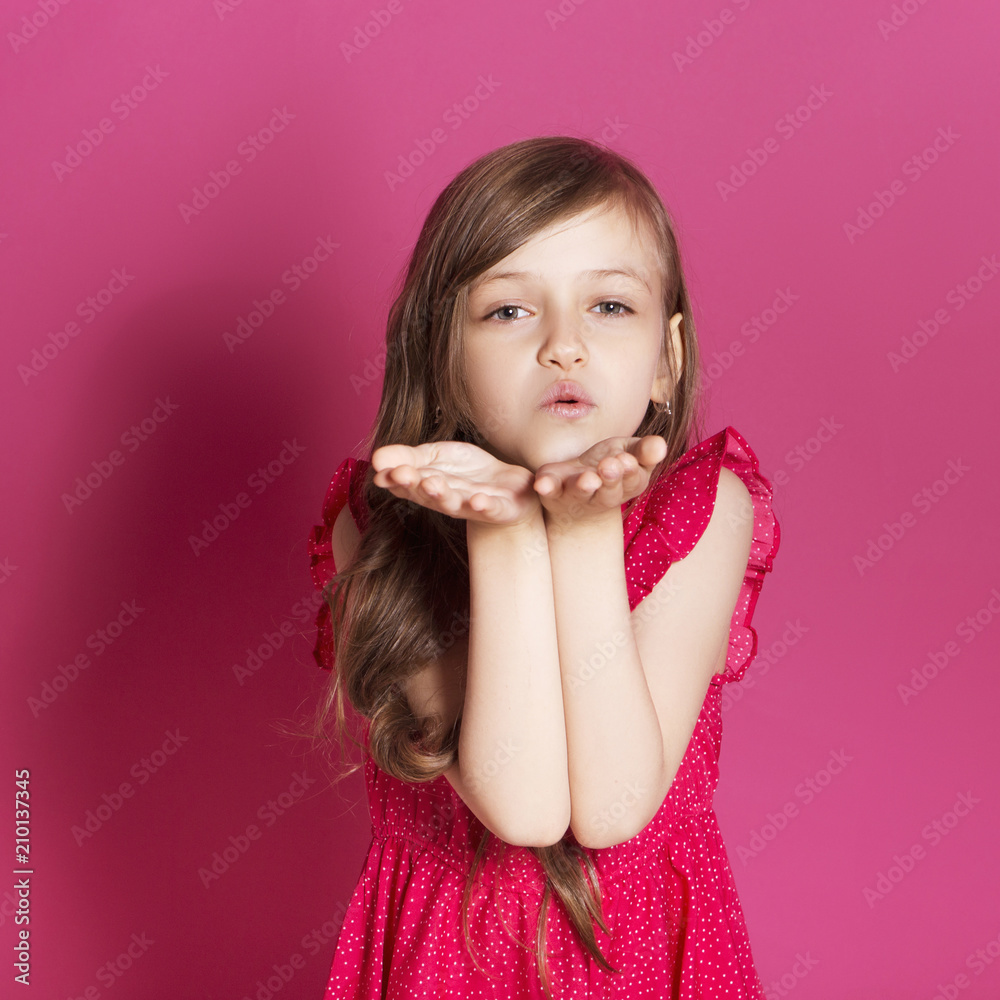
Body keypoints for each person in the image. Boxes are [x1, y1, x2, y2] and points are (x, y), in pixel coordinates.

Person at [306, 134, 781, 999]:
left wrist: (583, 531)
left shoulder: (705, 511)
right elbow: (523, 805)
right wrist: (508, 534)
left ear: (667, 360)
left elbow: (610, 808)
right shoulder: (378, 527)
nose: (565, 345)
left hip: (639, 965)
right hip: (449, 966)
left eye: (609, 305)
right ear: (444, 359)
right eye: (509, 311)